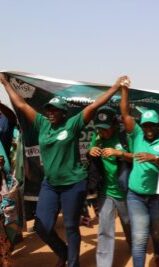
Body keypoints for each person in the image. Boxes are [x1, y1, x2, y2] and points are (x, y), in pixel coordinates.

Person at [0, 73, 125, 267]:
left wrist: (115, 87)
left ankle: (73, 263)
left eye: (55, 110)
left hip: (73, 184)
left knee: (70, 226)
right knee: (42, 226)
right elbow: (23, 105)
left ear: (63, 112)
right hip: (50, 184)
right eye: (49, 109)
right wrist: (5, 83)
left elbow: (93, 106)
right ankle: (63, 251)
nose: (50, 112)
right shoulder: (42, 123)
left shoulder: (72, 124)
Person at [120, 77, 159, 267]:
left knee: (157, 233)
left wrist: (154, 159)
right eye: (145, 125)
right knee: (139, 237)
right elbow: (125, 113)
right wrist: (124, 90)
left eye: (152, 126)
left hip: (157, 197)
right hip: (135, 195)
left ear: (158, 126)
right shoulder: (137, 134)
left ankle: (158, 253)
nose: (148, 129)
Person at [88, 106, 132, 267]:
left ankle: (133, 244)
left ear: (114, 125)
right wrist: (90, 150)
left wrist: (119, 153)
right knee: (105, 229)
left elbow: (136, 158)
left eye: (105, 129)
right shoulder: (97, 137)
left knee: (128, 223)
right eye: (99, 128)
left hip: (125, 193)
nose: (102, 132)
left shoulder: (124, 138)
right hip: (105, 192)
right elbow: (91, 154)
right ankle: (103, 264)